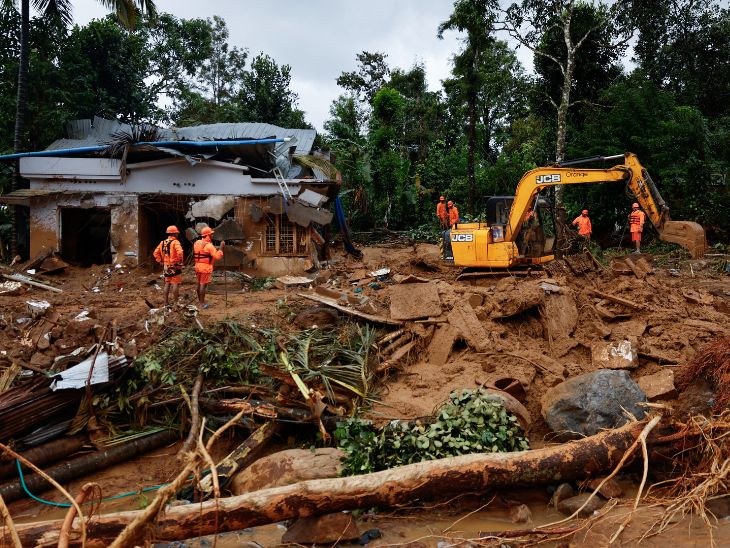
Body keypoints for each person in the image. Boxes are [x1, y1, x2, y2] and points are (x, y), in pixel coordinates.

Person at [193, 226, 225, 309]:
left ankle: (200, 301)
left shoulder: (196, 243)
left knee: (199, 284)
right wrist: (221, 248)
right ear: (207, 235)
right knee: (203, 285)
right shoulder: (209, 246)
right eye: (211, 234)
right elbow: (217, 257)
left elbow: (204, 252)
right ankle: (202, 304)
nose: (212, 235)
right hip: (205, 267)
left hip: (197, 266)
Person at [153, 225, 184, 307]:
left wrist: (160, 261)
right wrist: (179, 261)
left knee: (167, 283)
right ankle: (175, 303)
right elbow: (180, 252)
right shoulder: (176, 242)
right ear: (174, 234)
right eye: (176, 233)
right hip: (174, 266)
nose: (177, 234)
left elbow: (155, 253)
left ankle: (165, 303)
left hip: (166, 266)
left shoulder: (162, 242)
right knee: (175, 284)